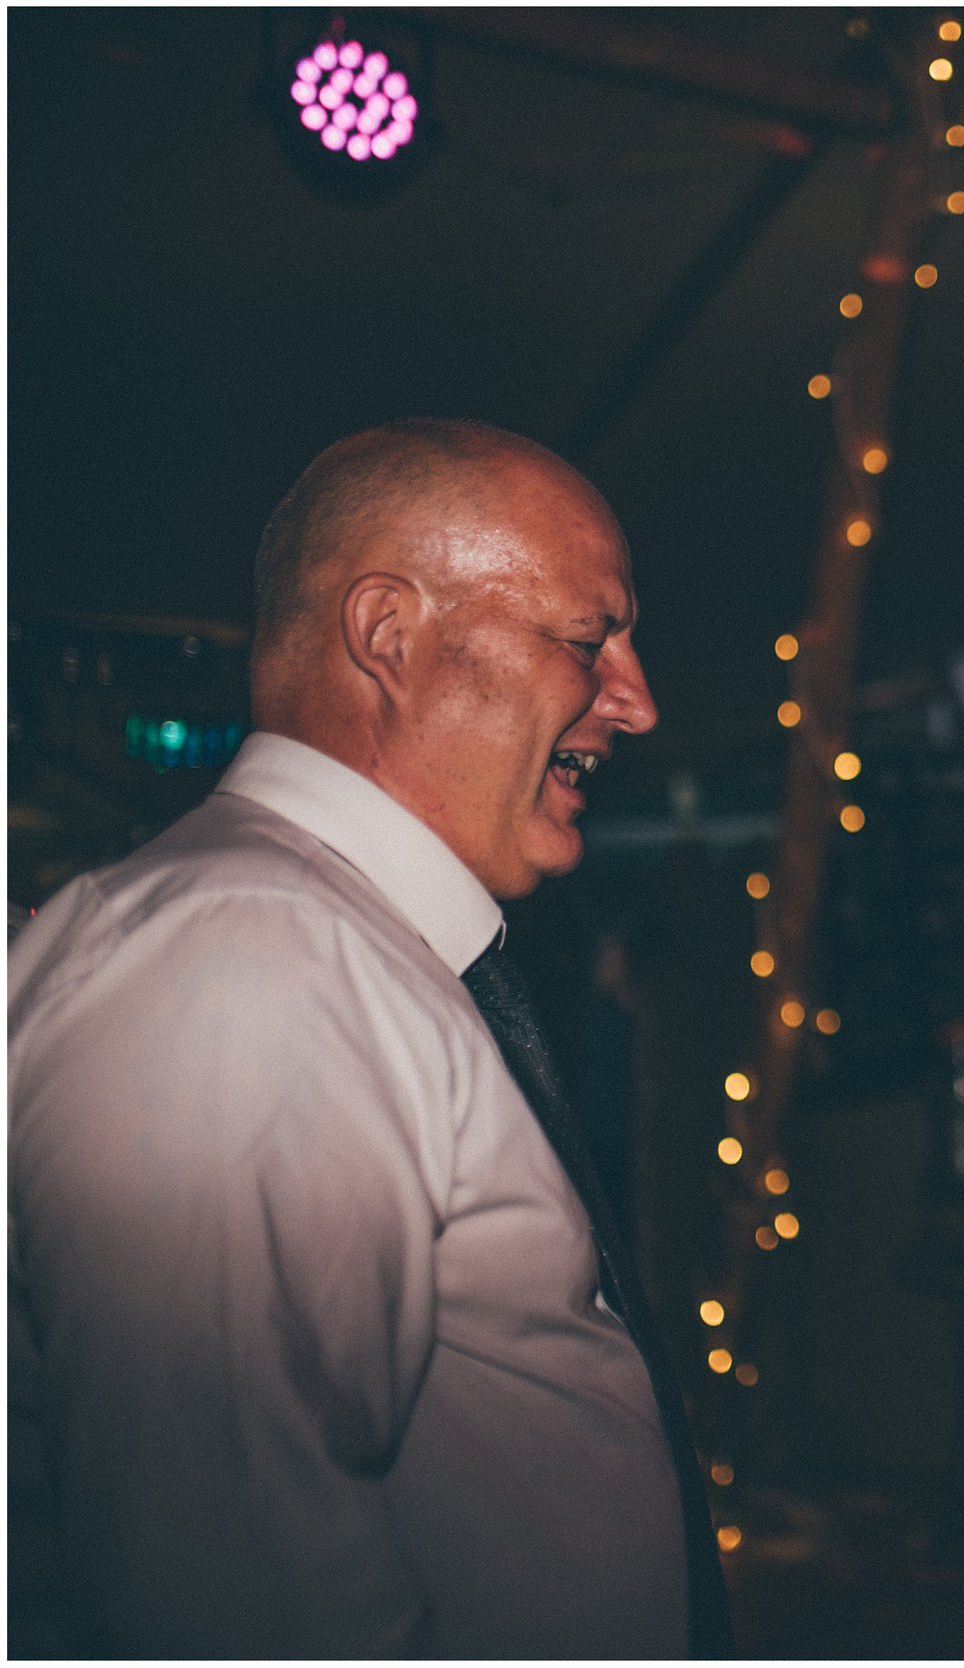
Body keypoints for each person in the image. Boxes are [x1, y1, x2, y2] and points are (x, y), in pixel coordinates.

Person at [8, 420, 732, 1656]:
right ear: (387, 635)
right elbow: (225, 1585)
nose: (638, 701)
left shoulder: (330, 940)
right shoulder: (253, 956)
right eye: (587, 637)